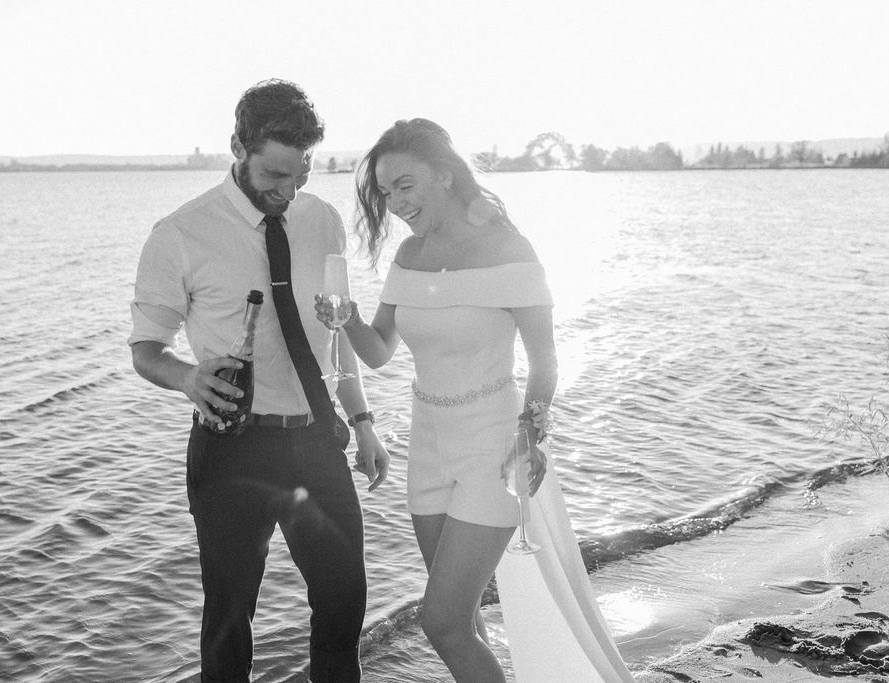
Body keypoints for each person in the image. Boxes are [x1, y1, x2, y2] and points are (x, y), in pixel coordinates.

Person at [316, 118, 634, 681]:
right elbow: (379, 351)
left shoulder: (509, 249)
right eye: (386, 193)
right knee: (461, 618)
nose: (395, 204)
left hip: (494, 446)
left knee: (439, 622)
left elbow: (545, 362)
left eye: (405, 186)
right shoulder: (409, 257)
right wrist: (344, 320)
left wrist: (530, 435)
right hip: (427, 444)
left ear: (444, 174)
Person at [129, 79, 390, 682]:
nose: (289, 190)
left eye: (301, 174)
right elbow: (146, 350)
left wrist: (363, 422)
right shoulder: (180, 234)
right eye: (275, 174)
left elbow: (335, 330)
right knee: (228, 616)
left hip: (316, 440)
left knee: (344, 601)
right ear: (238, 148)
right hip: (231, 447)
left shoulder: (322, 221)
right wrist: (188, 377)